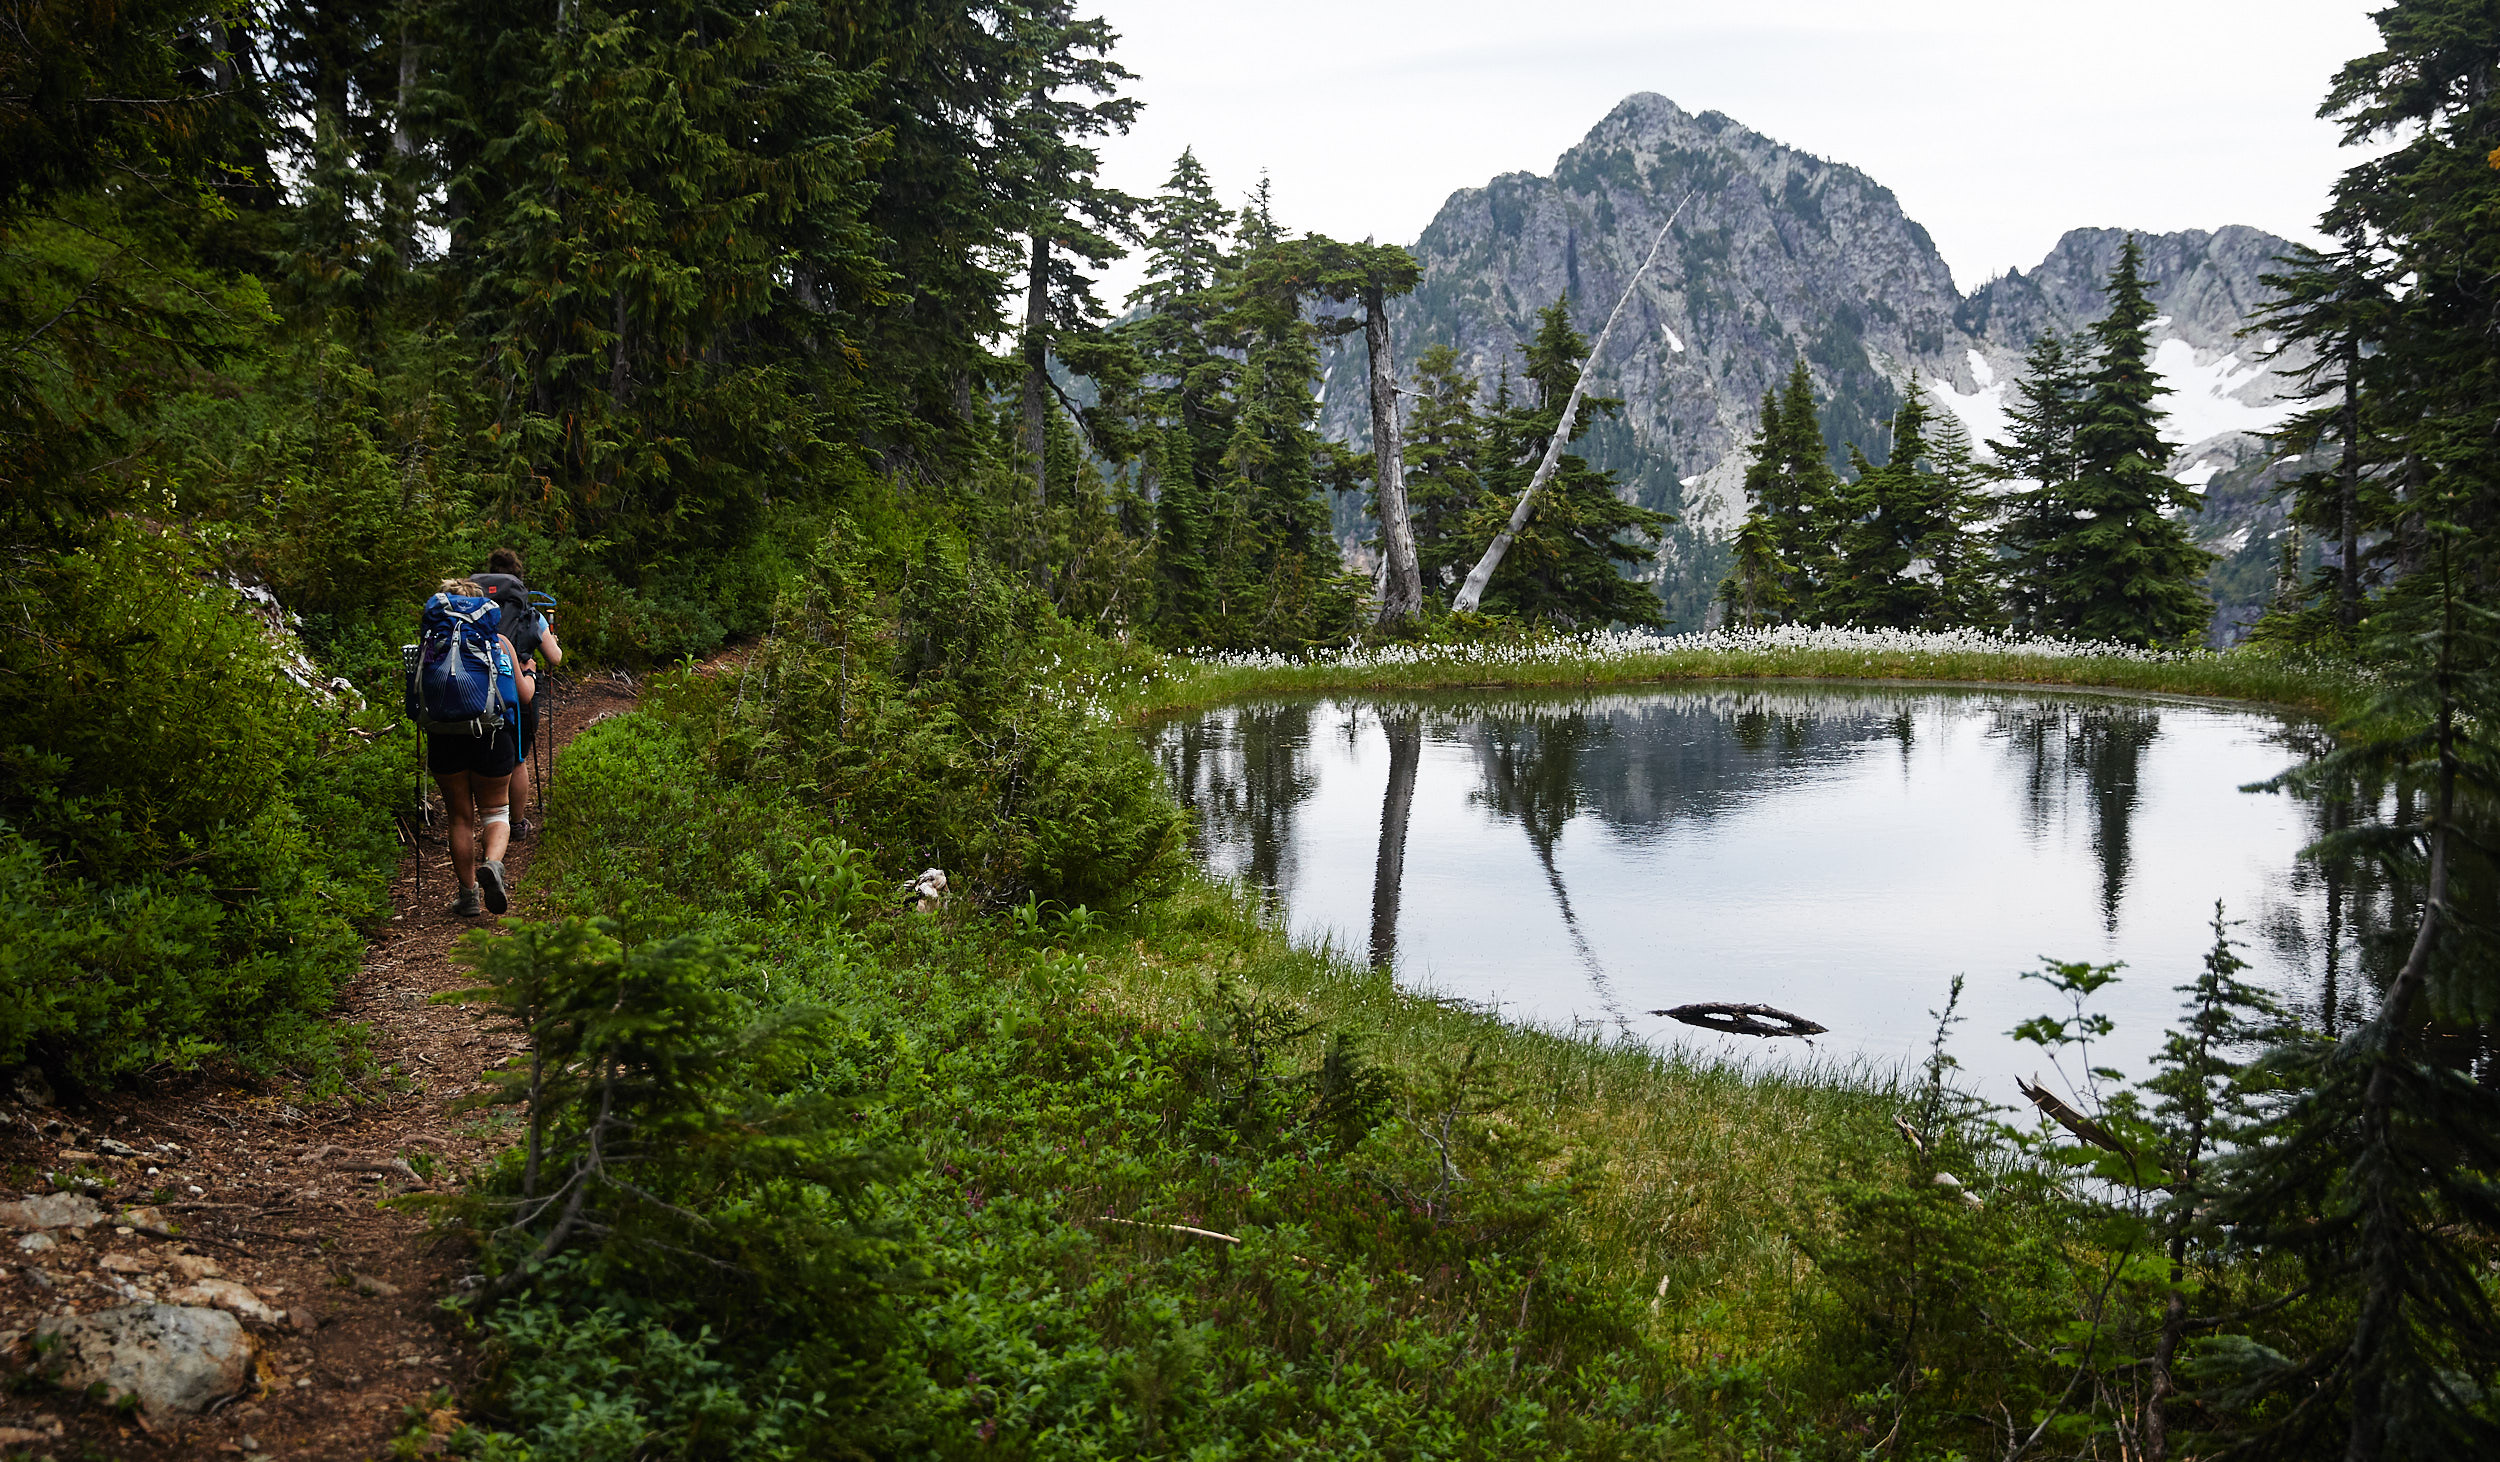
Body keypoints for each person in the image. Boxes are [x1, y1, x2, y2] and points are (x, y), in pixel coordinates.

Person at [425, 578, 534, 916]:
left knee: (459, 816)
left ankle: (468, 895)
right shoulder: (498, 641)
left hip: (444, 735)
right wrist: (530, 674)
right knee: (496, 811)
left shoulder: (432, 641)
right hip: (491, 734)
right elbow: (522, 695)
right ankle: (494, 865)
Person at [473, 548, 562, 828]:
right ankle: (517, 821)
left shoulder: (471, 610)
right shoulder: (529, 614)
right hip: (518, 691)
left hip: (474, 691)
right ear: (519, 580)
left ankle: (488, 818)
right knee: (518, 759)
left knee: (481, 752)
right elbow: (555, 658)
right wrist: (551, 640)